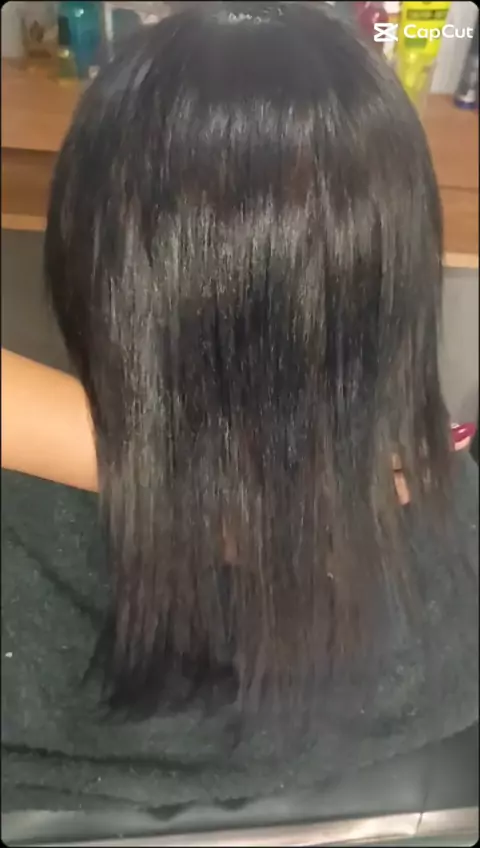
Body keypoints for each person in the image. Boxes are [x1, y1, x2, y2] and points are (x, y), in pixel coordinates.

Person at [2, 0, 478, 816]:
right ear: (398, 269)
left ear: (90, 259)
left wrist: (163, 465)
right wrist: (217, 483)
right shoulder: (453, 546)